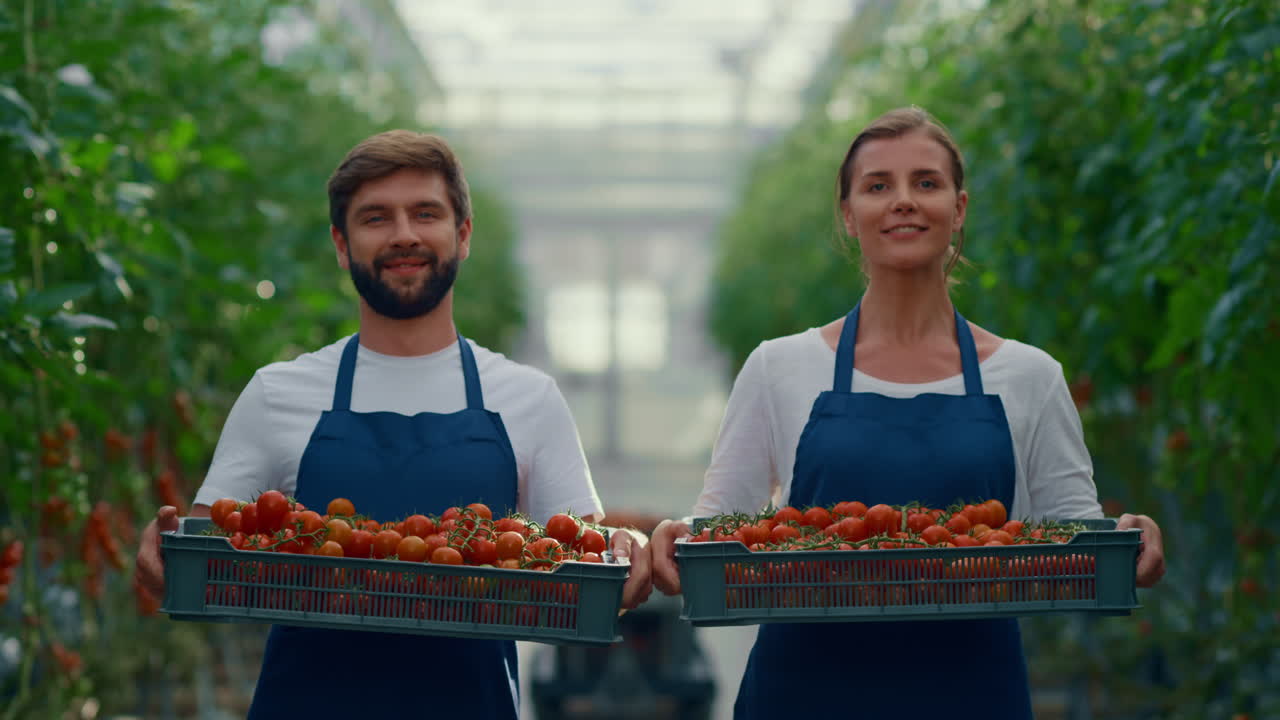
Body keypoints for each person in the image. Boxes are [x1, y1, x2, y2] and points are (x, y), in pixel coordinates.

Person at [650, 107, 1165, 717]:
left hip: (971, 693)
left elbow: (1076, 546)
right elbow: (723, 531)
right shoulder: (777, 368)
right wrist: (677, 536)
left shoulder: (1030, 376)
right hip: (805, 692)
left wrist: (1130, 541)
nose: (903, 201)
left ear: (959, 208)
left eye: (926, 183)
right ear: (849, 214)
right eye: (877, 186)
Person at [133, 130, 652, 718]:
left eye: (425, 213)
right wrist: (164, 563)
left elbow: (588, 559)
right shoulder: (277, 393)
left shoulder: (529, 397)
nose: (403, 233)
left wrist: (629, 550)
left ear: (462, 235)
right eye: (375, 218)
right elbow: (211, 558)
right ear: (341, 243)